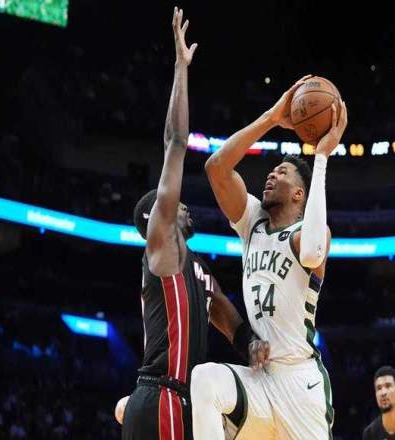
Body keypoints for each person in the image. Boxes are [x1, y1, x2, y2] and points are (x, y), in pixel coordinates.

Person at [121, 8, 255, 439]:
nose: (184, 207)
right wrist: (181, 68)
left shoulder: (195, 266)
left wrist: (250, 343)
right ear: (155, 219)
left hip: (184, 401)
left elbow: (222, 311)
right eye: (174, 205)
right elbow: (176, 143)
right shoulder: (161, 245)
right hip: (162, 394)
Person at [191, 76, 348, 439]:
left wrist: (321, 157)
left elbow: (313, 251)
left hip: (301, 383)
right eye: (272, 170)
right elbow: (216, 169)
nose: (271, 175)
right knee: (205, 379)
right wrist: (272, 118)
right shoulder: (252, 222)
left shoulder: (309, 234)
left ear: (299, 195)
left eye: (282, 173)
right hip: (261, 379)